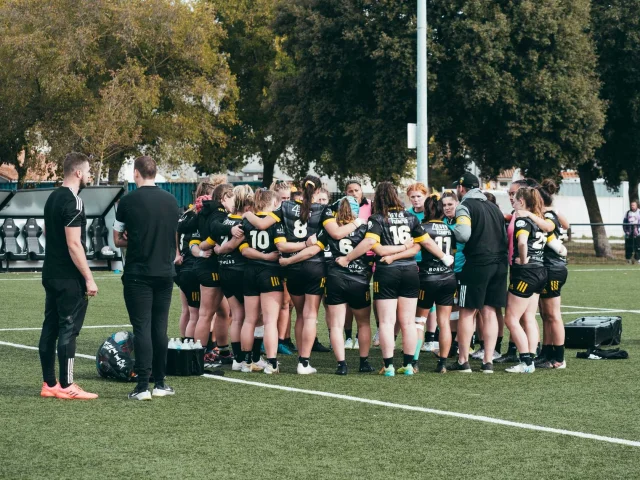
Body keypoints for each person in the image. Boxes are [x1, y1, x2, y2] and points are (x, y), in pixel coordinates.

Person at [243, 175, 359, 373]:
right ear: (318, 191)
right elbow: (337, 234)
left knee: (299, 315)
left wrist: (247, 215)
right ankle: (303, 363)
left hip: (292, 268)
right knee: (310, 315)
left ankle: (294, 358)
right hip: (314, 267)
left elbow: (262, 225)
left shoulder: (285, 207)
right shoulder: (324, 210)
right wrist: (358, 223)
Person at [340, 182, 452, 377]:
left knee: (386, 322)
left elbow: (370, 243)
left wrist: (348, 258)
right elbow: (424, 241)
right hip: (410, 270)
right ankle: (408, 365)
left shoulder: (377, 218)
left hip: (387, 271)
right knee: (408, 322)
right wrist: (443, 256)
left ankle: (389, 365)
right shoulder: (410, 216)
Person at [281, 196, 375, 375]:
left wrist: (289, 261)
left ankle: (342, 365)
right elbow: (373, 247)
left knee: (336, 325)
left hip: (335, 279)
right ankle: (364, 363)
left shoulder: (329, 229)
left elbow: (312, 250)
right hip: (358, 279)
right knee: (363, 324)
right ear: (356, 210)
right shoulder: (365, 227)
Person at [113, 155, 180, 400]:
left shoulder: (128, 201)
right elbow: (174, 236)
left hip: (138, 273)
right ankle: (160, 383)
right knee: (160, 329)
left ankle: (142, 386)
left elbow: (117, 239)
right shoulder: (172, 201)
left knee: (142, 328)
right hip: (164, 272)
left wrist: (130, 239)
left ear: (136, 173)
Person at [39, 152, 99, 400]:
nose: (88, 176)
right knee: (68, 330)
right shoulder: (74, 201)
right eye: (87, 172)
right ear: (78, 172)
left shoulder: (52, 197)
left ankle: (49, 384)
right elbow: (74, 244)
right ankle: (67, 385)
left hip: (50, 273)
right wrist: (88, 278)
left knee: (50, 327)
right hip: (67, 277)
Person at [452, 172, 508, 374]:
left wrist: (451, 230)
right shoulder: (494, 207)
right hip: (500, 264)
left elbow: (463, 234)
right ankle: (488, 361)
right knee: (490, 312)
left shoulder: (464, 206)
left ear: (461, 188)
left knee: (467, 312)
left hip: (477, 263)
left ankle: (463, 360)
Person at [503, 187, 550, 374]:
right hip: (540, 270)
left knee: (511, 318)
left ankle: (525, 361)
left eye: (514, 198)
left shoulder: (523, 219)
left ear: (522, 201)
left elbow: (522, 242)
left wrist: (522, 259)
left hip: (526, 272)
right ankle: (531, 355)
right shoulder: (540, 220)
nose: (512, 200)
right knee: (529, 316)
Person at [238, 189, 283, 374]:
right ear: (272, 202)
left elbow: (243, 249)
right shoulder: (275, 220)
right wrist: (268, 257)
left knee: (249, 320)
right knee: (270, 321)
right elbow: (281, 247)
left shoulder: (247, 220)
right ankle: (272, 363)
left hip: (249, 270)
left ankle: (246, 362)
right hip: (269, 272)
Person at [415, 196, 456, 374]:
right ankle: (443, 364)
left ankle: (413, 361)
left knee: (419, 322)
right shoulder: (448, 228)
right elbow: (453, 251)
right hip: (448, 278)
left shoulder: (422, 228)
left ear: (426, 210)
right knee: (444, 322)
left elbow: (415, 249)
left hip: (428, 277)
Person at [534, 179, 569, 369]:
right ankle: (546, 353)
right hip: (548, 267)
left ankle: (560, 357)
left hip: (553, 268)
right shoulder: (551, 213)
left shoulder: (547, 217)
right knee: (546, 314)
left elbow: (552, 239)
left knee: (553, 314)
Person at [345, 179, 373, 347]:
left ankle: (359, 335)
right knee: (347, 299)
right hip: (346, 254)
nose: (354, 193)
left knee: (362, 296)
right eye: (350, 191)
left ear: (361, 191)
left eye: (356, 190)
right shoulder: (342, 206)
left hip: (367, 256)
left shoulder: (371, 205)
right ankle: (348, 336)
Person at [623, 200, 640, 264]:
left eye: (633, 205)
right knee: (629, 246)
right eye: (631, 205)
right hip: (629, 232)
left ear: (636, 205)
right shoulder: (628, 213)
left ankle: (638, 259)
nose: (632, 206)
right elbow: (624, 222)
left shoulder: (639, 212)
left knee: (638, 246)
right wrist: (626, 231)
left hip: (637, 233)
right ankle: (628, 259)